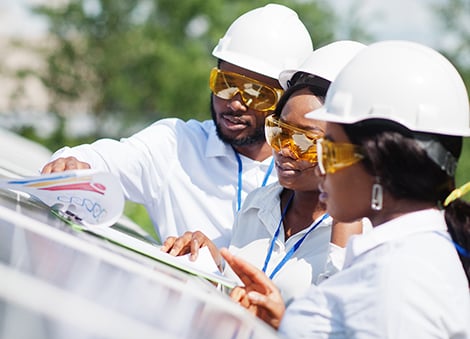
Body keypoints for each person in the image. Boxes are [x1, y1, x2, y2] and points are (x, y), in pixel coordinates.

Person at [220, 40, 470, 339]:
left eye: (329, 150)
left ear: (379, 163)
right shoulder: (400, 257)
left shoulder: (402, 276)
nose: (319, 166)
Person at [40, 4, 313, 248]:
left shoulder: (304, 173)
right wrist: (70, 164)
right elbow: (97, 160)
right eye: (226, 84)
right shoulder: (176, 145)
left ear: (285, 101)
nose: (236, 104)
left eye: (256, 93)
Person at [162, 41, 367, 304]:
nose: (285, 150)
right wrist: (212, 267)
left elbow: (334, 322)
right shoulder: (257, 205)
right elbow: (236, 300)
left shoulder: (363, 234)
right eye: (281, 132)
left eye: (305, 141)